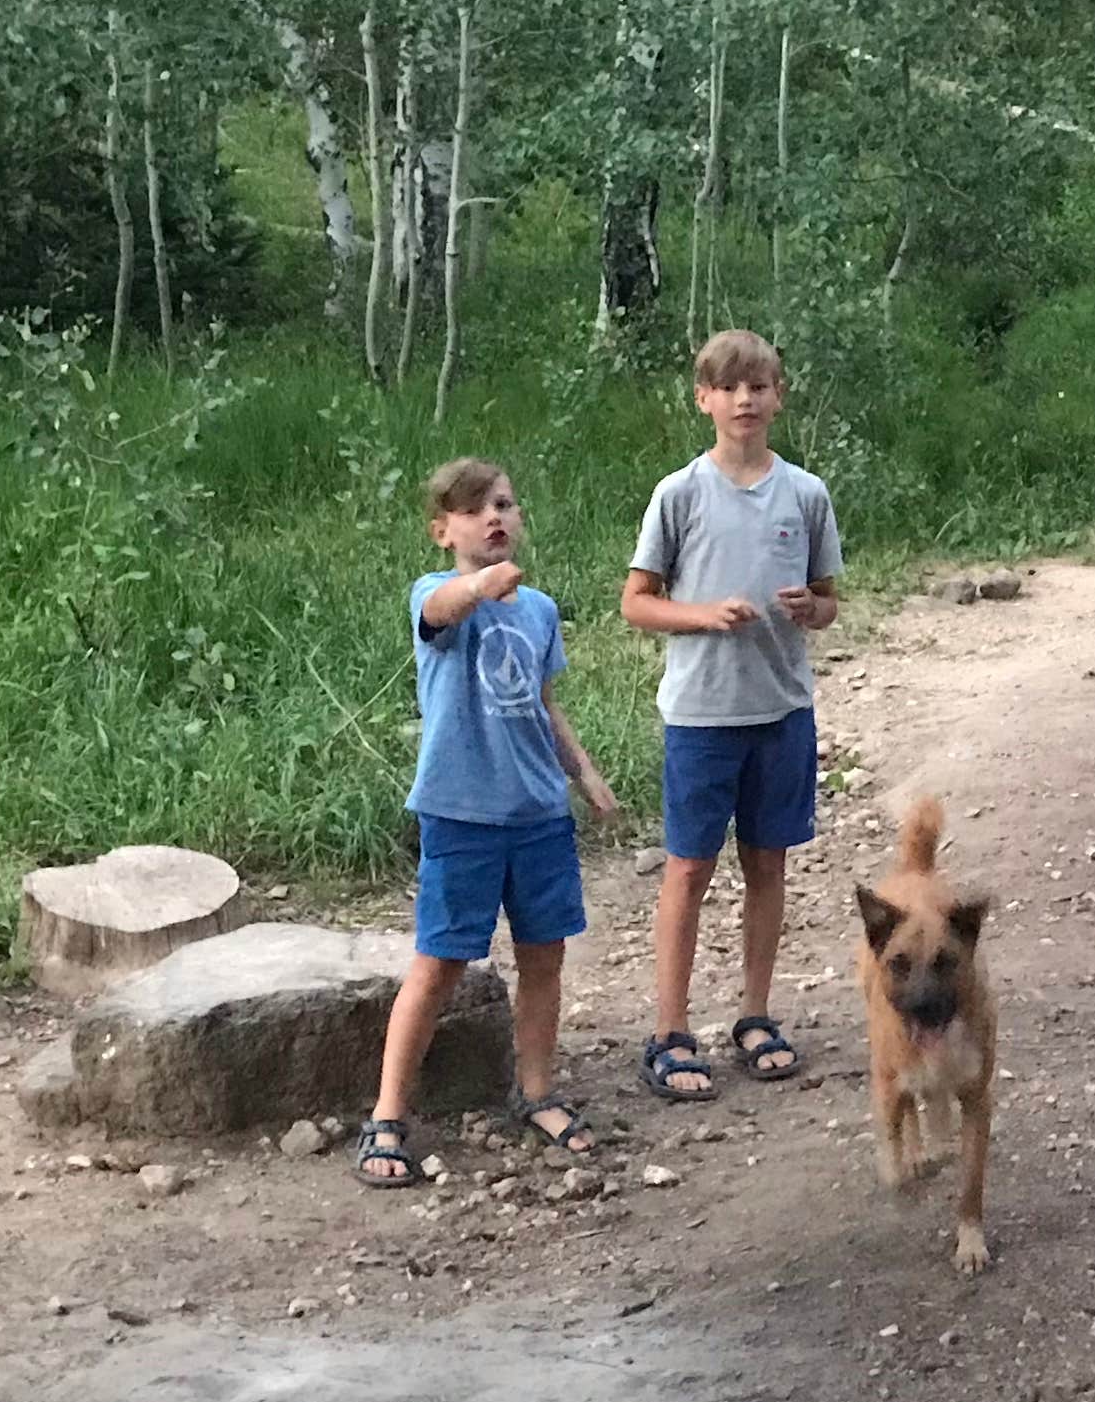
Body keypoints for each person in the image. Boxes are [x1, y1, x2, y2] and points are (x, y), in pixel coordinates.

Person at [359, 458, 620, 1190]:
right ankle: (387, 1115)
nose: (494, 518)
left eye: (504, 505)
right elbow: (443, 611)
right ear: (444, 531)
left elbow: (542, 699)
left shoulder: (536, 609)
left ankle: (535, 1092)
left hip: (537, 812)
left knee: (544, 956)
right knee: (440, 963)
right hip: (460, 812)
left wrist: (585, 771)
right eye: (474, 510)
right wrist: (478, 585)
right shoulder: (435, 596)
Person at [622, 328, 843, 1105]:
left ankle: (755, 1014)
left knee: (768, 864)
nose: (744, 400)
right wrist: (703, 614)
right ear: (703, 399)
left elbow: (829, 602)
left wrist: (809, 608)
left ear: (780, 395)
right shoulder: (678, 493)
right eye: (729, 387)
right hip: (702, 715)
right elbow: (636, 602)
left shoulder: (806, 494)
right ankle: (670, 1029)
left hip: (781, 708)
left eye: (759, 385)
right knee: (688, 868)